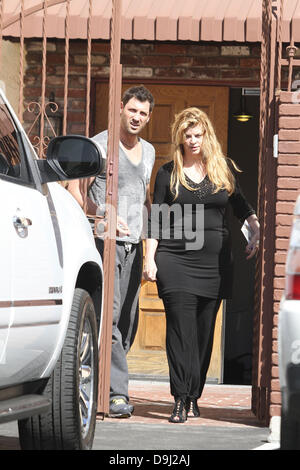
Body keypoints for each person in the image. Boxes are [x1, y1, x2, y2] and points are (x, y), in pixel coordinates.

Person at [143, 107, 260, 423]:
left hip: (215, 264)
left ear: (206, 135)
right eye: (187, 136)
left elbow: (242, 207)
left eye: (198, 135)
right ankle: (180, 397)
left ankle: (194, 394)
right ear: (179, 139)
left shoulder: (222, 170)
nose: (193, 141)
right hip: (175, 259)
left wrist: (256, 231)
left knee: (204, 332)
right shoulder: (168, 173)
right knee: (180, 330)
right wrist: (150, 257)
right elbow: (157, 219)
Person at [68, 85, 155, 418]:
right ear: (121, 107)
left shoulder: (147, 151)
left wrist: (150, 248)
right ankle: (117, 393)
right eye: (132, 110)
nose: (136, 118)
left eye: (143, 114)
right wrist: (105, 214)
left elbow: (145, 198)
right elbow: (76, 192)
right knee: (112, 316)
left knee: (128, 321)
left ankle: (101, 378)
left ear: (149, 117)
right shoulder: (99, 145)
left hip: (135, 244)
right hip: (104, 243)